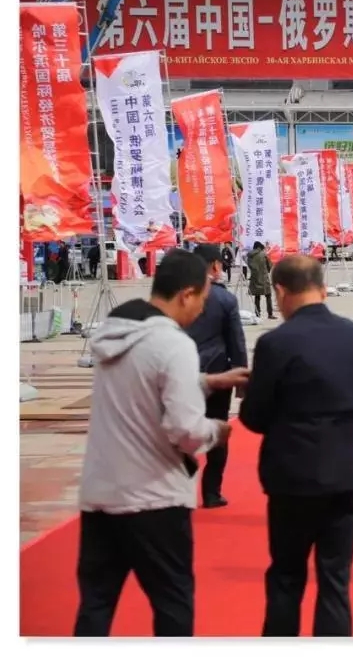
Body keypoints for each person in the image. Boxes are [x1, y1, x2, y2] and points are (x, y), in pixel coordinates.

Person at [74, 250, 247, 637]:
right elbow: (185, 429)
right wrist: (217, 432)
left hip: (101, 495)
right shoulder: (174, 344)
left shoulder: (116, 331)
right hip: (154, 500)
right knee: (173, 603)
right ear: (186, 294)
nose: (201, 310)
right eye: (202, 300)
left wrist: (210, 382)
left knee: (96, 605)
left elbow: (142, 384)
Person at [239, 255, 353, 637]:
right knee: (335, 578)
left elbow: (254, 417)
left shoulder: (275, 343)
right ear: (322, 288)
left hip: (293, 475)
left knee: (286, 575)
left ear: (280, 291)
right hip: (347, 472)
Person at [185, 244, 248, 509]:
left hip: (182, 373)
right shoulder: (225, 299)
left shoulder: (179, 294)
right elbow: (236, 342)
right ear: (214, 265)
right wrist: (241, 378)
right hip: (219, 374)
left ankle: (180, 489)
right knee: (217, 432)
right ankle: (212, 493)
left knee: (181, 430)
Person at [247, 242, 275, 320]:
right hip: (264, 278)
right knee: (268, 295)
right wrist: (267, 270)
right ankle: (270, 314)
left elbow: (249, 266)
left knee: (257, 296)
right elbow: (269, 265)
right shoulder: (263, 254)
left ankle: (257, 313)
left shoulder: (250, 255)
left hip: (255, 278)